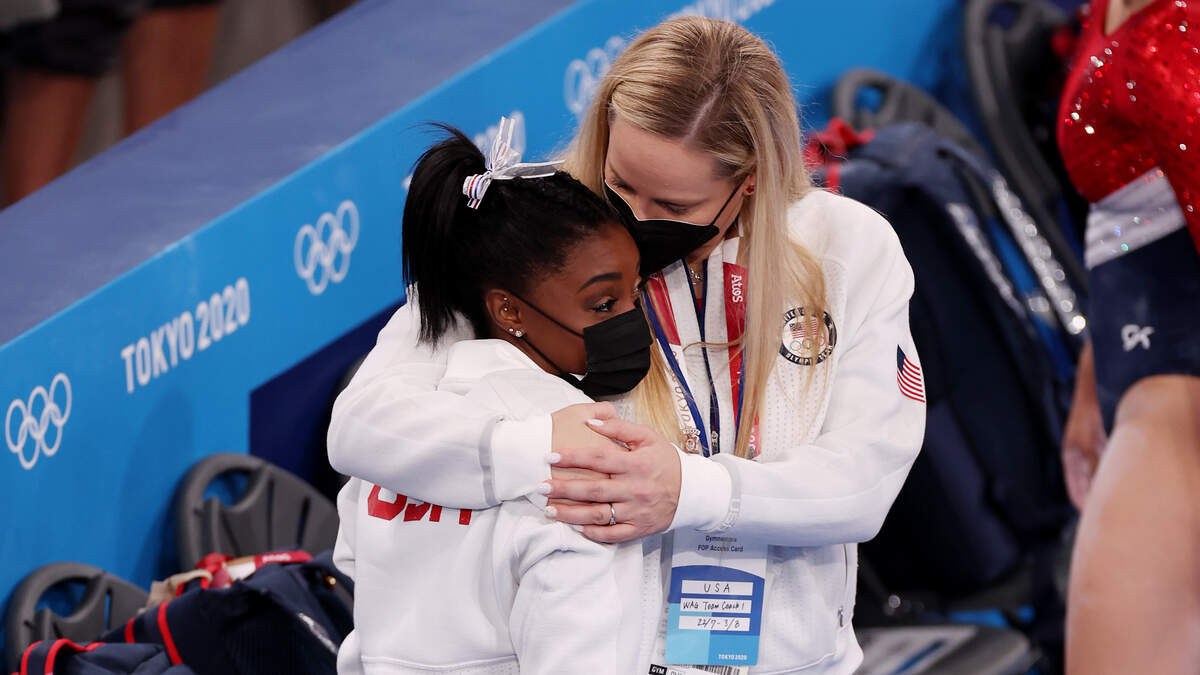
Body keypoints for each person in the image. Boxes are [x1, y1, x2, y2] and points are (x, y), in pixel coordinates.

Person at [329, 17, 924, 673]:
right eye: (621, 184)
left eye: (673, 205)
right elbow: (362, 425)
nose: (637, 220)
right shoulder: (538, 233)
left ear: (750, 179)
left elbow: (864, 480)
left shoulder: (848, 249)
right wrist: (538, 446)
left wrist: (688, 491)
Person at [333, 122, 650, 674]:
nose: (631, 319)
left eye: (635, 294)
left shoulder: (390, 451)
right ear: (508, 310)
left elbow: (354, 563)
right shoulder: (586, 465)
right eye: (603, 304)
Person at [1055, 0, 1200, 672]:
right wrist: (1094, 375)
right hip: (1140, 365)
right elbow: (1125, 220)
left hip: (1177, 396)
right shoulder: (1117, 11)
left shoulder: (1173, 34)